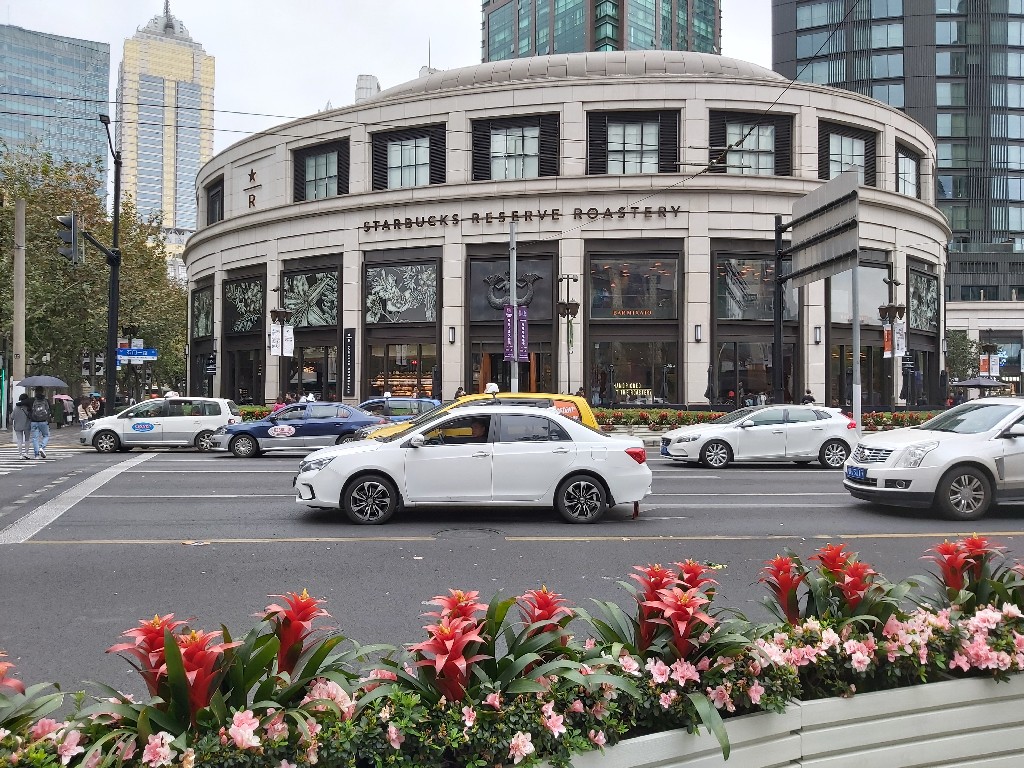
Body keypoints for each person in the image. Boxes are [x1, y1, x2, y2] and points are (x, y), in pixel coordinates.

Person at [28, 387, 51, 459]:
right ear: (43, 391)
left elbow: (29, 409)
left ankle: (36, 455)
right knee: (46, 435)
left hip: (34, 421)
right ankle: (42, 447)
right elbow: (49, 410)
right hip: (43, 421)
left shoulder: (32, 400)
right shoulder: (46, 400)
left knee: (35, 438)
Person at [12, 393, 31, 459]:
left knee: (19, 440)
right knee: (27, 439)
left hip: (17, 426)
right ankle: (26, 453)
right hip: (27, 425)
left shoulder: (16, 407)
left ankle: (20, 455)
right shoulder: (28, 408)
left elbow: (12, 417)